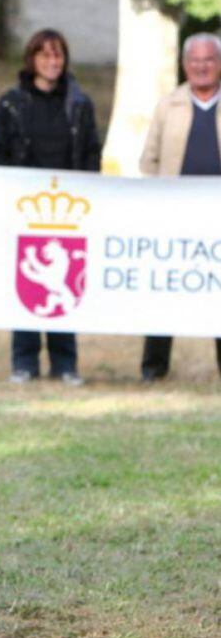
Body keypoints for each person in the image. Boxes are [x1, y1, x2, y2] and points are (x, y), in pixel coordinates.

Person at [0, 28, 100, 386]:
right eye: (45, 55)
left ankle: (66, 363)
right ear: (32, 59)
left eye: (58, 56)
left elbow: (91, 153)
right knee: (26, 284)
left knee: (65, 286)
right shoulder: (11, 103)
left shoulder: (80, 104)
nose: (53, 62)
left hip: (69, 211)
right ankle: (24, 361)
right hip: (24, 210)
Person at [138, 32, 221, 382]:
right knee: (165, 291)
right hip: (173, 219)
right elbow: (149, 160)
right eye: (195, 60)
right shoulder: (168, 105)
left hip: (217, 219)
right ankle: (154, 369)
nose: (201, 67)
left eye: (209, 60)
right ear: (185, 64)